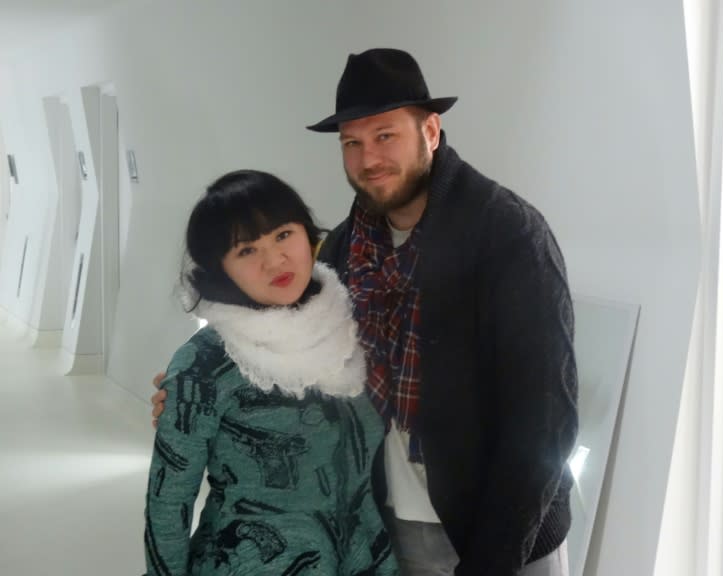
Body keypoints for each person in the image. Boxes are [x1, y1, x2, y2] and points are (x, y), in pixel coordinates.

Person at [153, 48, 578, 576]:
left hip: (504, 534)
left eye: (385, 136)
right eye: (351, 143)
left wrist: (493, 561)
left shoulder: (507, 234)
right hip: (391, 527)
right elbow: (300, 355)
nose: (367, 158)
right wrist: (196, 397)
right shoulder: (344, 249)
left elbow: (545, 421)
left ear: (430, 131)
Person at [144, 170, 398, 576]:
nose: (274, 261)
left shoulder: (345, 327)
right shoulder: (208, 363)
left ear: (306, 232)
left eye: (283, 235)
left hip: (361, 558)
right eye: (246, 251)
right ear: (220, 268)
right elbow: (168, 501)